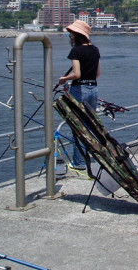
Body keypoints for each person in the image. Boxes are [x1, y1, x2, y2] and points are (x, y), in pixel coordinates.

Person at [58, 20, 101, 170]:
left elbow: (76, 74)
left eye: (71, 34)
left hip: (79, 89)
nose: (70, 36)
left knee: (78, 126)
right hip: (93, 89)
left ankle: (79, 162)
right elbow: (98, 73)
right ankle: (91, 156)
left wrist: (64, 79)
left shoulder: (76, 51)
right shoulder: (95, 50)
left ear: (77, 35)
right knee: (89, 125)